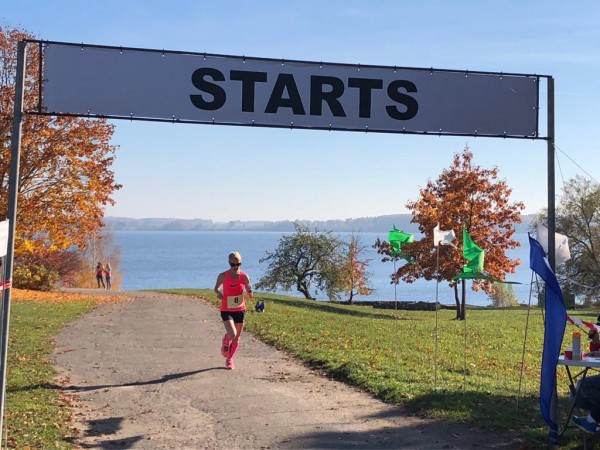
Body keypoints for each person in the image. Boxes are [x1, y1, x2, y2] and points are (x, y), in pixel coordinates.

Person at [214, 251, 253, 370]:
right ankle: (225, 341)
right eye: (233, 264)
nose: (236, 267)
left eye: (238, 264)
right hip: (227, 309)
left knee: (236, 337)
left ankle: (229, 359)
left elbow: (249, 292)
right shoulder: (223, 276)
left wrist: (250, 291)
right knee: (232, 334)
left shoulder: (244, 276)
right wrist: (219, 294)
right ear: (229, 263)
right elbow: (216, 289)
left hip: (240, 309)